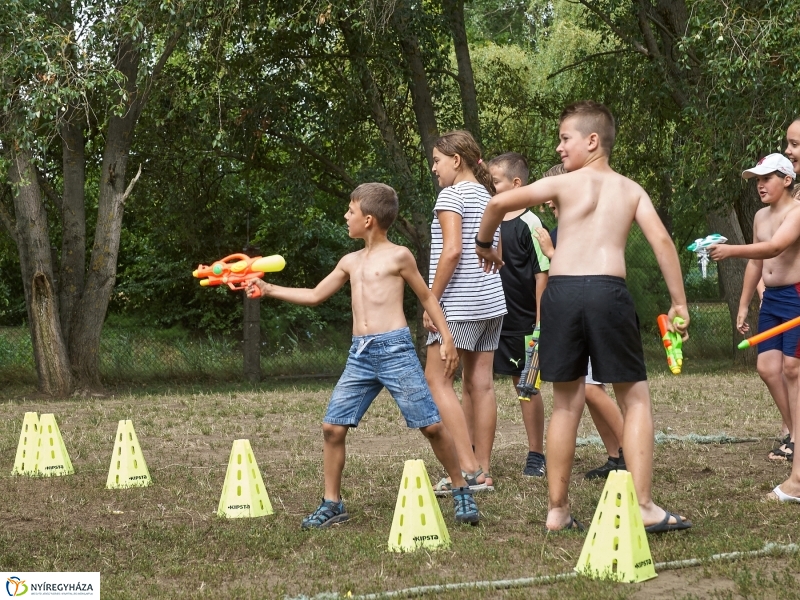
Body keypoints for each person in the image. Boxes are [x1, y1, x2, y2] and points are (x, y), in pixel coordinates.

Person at [474, 101, 692, 533]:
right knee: (634, 398)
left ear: (593, 140)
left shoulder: (564, 187)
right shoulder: (630, 190)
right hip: (608, 293)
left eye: (565, 138)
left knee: (567, 404)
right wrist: (679, 301)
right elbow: (662, 242)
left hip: (563, 292)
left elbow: (498, 205)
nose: (558, 147)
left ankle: (557, 511)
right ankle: (644, 506)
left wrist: (484, 243)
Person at [247, 182, 481, 527]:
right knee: (332, 428)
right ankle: (332, 503)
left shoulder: (400, 256)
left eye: (351, 211)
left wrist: (446, 338)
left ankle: (461, 489)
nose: (346, 216)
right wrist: (268, 288)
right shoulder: (349, 261)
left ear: (368, 220)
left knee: (431, 426)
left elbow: (428, 297)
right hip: (361, 354)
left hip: (396, 350)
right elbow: (314, 295)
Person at [709, 152, 800, 502]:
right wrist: (744, 304)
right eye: (756, 180)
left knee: (792, 369)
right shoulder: (760, 216)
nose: (760, 185)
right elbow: (758, 260)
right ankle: (793, 429)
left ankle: (795, 445)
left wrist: (730, 250)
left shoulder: (795, 212)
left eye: (767, 178)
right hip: (773, 299)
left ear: (787, 180)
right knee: (766, 367)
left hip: (795, 296)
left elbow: (776, 246)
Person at [425, 130, 507, 495]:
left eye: (437, 161)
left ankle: (468, 470)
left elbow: (453, 250)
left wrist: (432, 300)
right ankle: (483, 470)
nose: (434, 168)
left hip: (457, 304)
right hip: (491, 303)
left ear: (456, 160)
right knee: (481, 384)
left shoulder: (452, 194)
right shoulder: (490, 197)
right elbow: (497, 257)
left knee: (437, 381)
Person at [533, 166, 626, 480]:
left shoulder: (583, 225)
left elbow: (579, 269)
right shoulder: (562, 225)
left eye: (553, 194)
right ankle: (616, 456)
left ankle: (631, 448)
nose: (547, 202)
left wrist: (549, 250)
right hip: (569, 314)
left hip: (589, 312)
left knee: (589, 389)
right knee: (588, 389)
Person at [487, 152, 550, 477]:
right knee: (478, 383)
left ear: (516, 184)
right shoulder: (489, 218)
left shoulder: (531, 223)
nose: (490, 186)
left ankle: (536, 454)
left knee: (526, 387)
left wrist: (540, 323)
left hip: (522, 322)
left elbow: (543, 274)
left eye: (495, 181)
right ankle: (475, 453)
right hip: (488, 318)